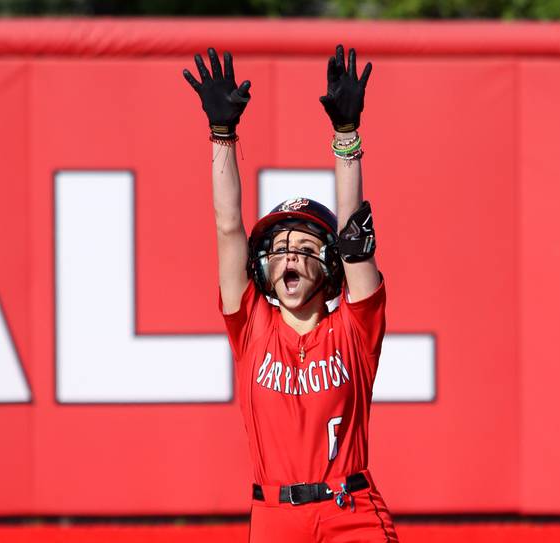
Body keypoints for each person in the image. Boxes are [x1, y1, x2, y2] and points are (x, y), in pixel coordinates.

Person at [183, 44, 399, 543]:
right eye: (279, 248)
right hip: (276, 519)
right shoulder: (252, 326)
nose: (291, 257)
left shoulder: (353, 328)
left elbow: (352, 235)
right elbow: (228, 226)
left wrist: (346, 136)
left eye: (304, 247)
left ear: (327, 266)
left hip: (352, 511)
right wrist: (222, 135)